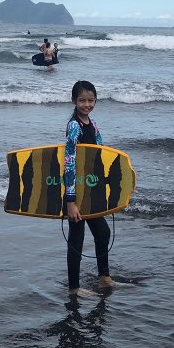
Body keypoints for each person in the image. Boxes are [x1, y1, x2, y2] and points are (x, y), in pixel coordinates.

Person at [64, 80, 114, 296]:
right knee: (77, 238)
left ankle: (104, 278)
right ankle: (74, 288)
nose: (87, 104)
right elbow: (69, 161)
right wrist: (71, 201)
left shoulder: (92, 125)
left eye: (91, 100)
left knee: (102, 232)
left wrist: (111, 190)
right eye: (82, 100)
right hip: (76, 191)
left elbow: (101, 155)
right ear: (74, 101)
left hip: (91, 189)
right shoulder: (74, 125)